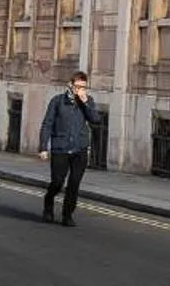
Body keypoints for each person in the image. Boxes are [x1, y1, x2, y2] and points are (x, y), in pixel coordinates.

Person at [37, 71, 104, 226]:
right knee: (57, 182)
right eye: (78, 86)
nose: (81, 89)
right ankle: (49, 203)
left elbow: (95, 120)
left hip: (79, 149)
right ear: (70, 85)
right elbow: (47, 124)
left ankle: (67, 215)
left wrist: (85, 102)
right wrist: (43, 147)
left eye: (84, 87)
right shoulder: (57, 101)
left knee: (74, 184)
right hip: (60, 148)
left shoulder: (88, 101)